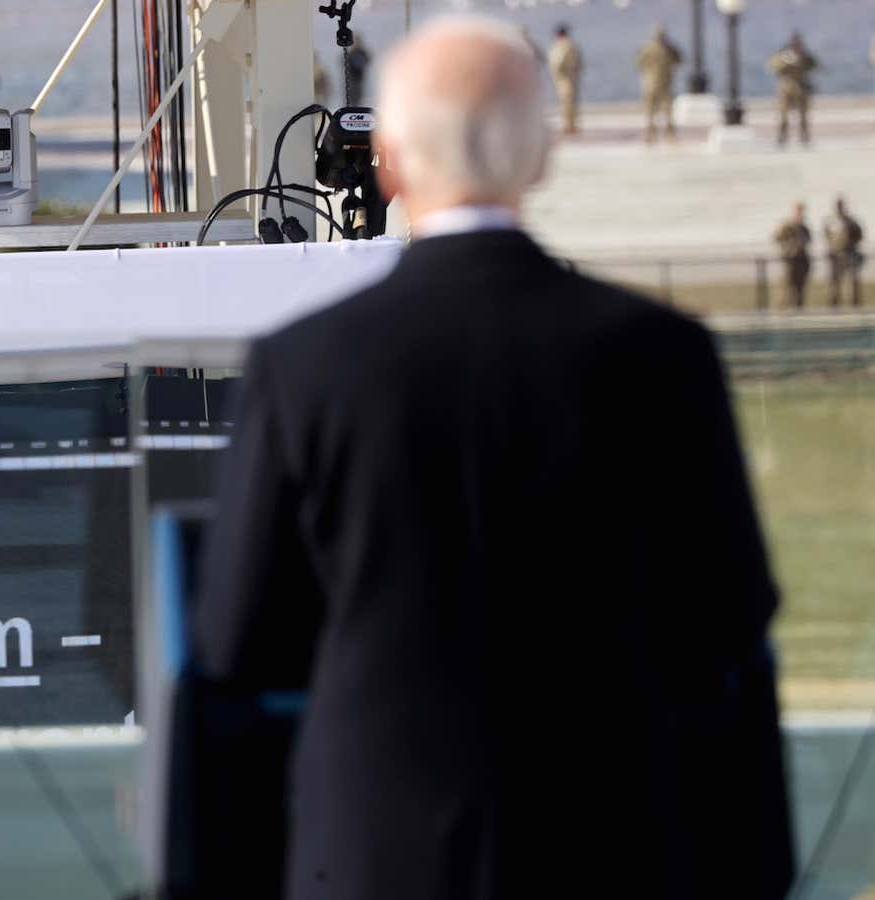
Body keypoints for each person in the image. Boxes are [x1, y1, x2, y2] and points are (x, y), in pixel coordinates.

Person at [195, 15, 794, 900]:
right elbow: (728, 617)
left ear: (390, 162)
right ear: (540, 158)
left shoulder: (303, 367)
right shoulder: (663, 355)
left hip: (376, 855)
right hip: (621, 847)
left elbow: (239, 640)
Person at [768, 32, 817, 146]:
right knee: (783, 114)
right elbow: (774, 67)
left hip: (801, 87)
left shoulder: (804, 55)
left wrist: (803, 60)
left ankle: (804, 135)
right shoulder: (783, 55)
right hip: (786, 87)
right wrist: (786, 62)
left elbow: (814, 65)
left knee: (803, 114)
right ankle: (782, 136)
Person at [636, 24, 682, 143]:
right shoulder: (651, 48)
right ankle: (652, 133)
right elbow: (639, 63)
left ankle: (667, 133)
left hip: (661, 82)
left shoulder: (667, 48)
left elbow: (678, 60)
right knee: (652, 109)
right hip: (654, 82)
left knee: (665, 110)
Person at [824, 197, 865, 307]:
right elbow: (826, 235)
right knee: (834, 285)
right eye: (838, 205)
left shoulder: (851, 222)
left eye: (841, 205)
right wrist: (833, 246)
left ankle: (853, 308)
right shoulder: (830, 221)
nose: (839, 208)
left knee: (851, 284)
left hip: (850, 255)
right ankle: (833, 309)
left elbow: (859, 235)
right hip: (835, 256)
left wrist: (850, 244)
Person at [774, 202, 813, 309]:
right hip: (790, 262)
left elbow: (808, 242)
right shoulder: (787, 226)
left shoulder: (804, 228)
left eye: (801, 211)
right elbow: (777, 238)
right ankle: (782, 313)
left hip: (802, 262)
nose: (800, 213)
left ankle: (798, 313)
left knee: (800, 291)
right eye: (798, 211)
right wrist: (788, 249)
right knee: (786, 290)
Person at [546, 24, 582, 135]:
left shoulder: (562, 45)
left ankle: (569, 125)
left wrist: (558, 72)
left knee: (567, 102)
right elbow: (577, 62)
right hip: (568, 77)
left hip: (565, 78)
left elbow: (556, 63)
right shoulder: (569, 45)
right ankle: (569, 125)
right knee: (568, 102)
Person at [343, 33, 371, 105]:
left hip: (359, 78)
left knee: (358, 97)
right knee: (350, 96)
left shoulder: (362, 52)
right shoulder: (350, 53)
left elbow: (367, 60)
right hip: (351, 79)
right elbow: (343, 63)